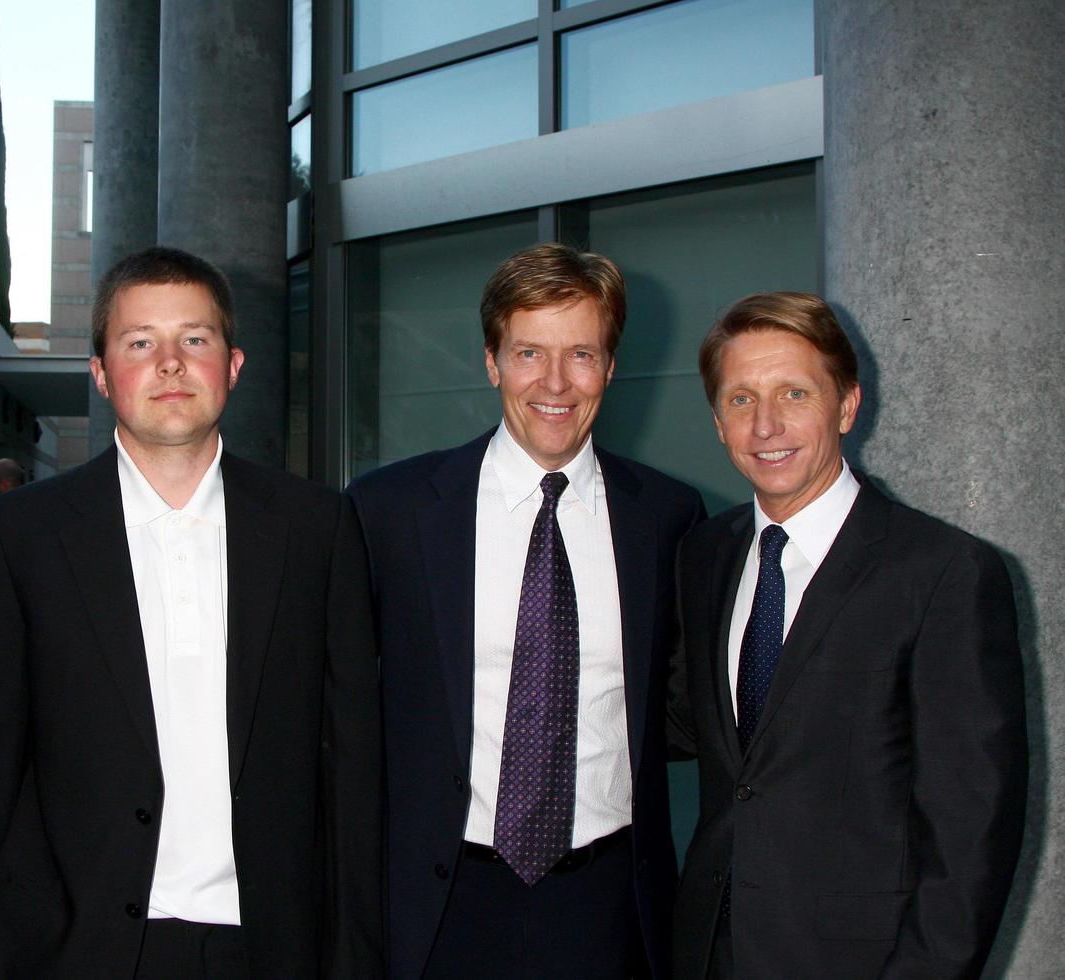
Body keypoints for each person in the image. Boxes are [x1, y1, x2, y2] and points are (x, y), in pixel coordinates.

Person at [0, 246, 382, 978]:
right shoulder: (18, 538)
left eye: (195, 339)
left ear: (234, 365)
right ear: (99, 373)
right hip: (83, 952)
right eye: (139, 342)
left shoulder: (318, 529)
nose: (170, 363)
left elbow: (352, 764)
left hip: (273, 945)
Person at [348, 243, 705, 979]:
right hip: (439, 902)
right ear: (492, 362)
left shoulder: (666, 516)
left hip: (607, 906)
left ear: (610, 367)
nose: (554, 382)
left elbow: (681, 704)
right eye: (528, 352)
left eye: (581, 353)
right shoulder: (390, 512)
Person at [668, 291, 1027, 979]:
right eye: (741, 400)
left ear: (847, 405)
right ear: (718, 422)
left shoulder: (943, 573)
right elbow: (686, 724)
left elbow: (971, 831)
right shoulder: (706, 555)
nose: (766, 424)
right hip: (711, 953)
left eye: (794, 393)